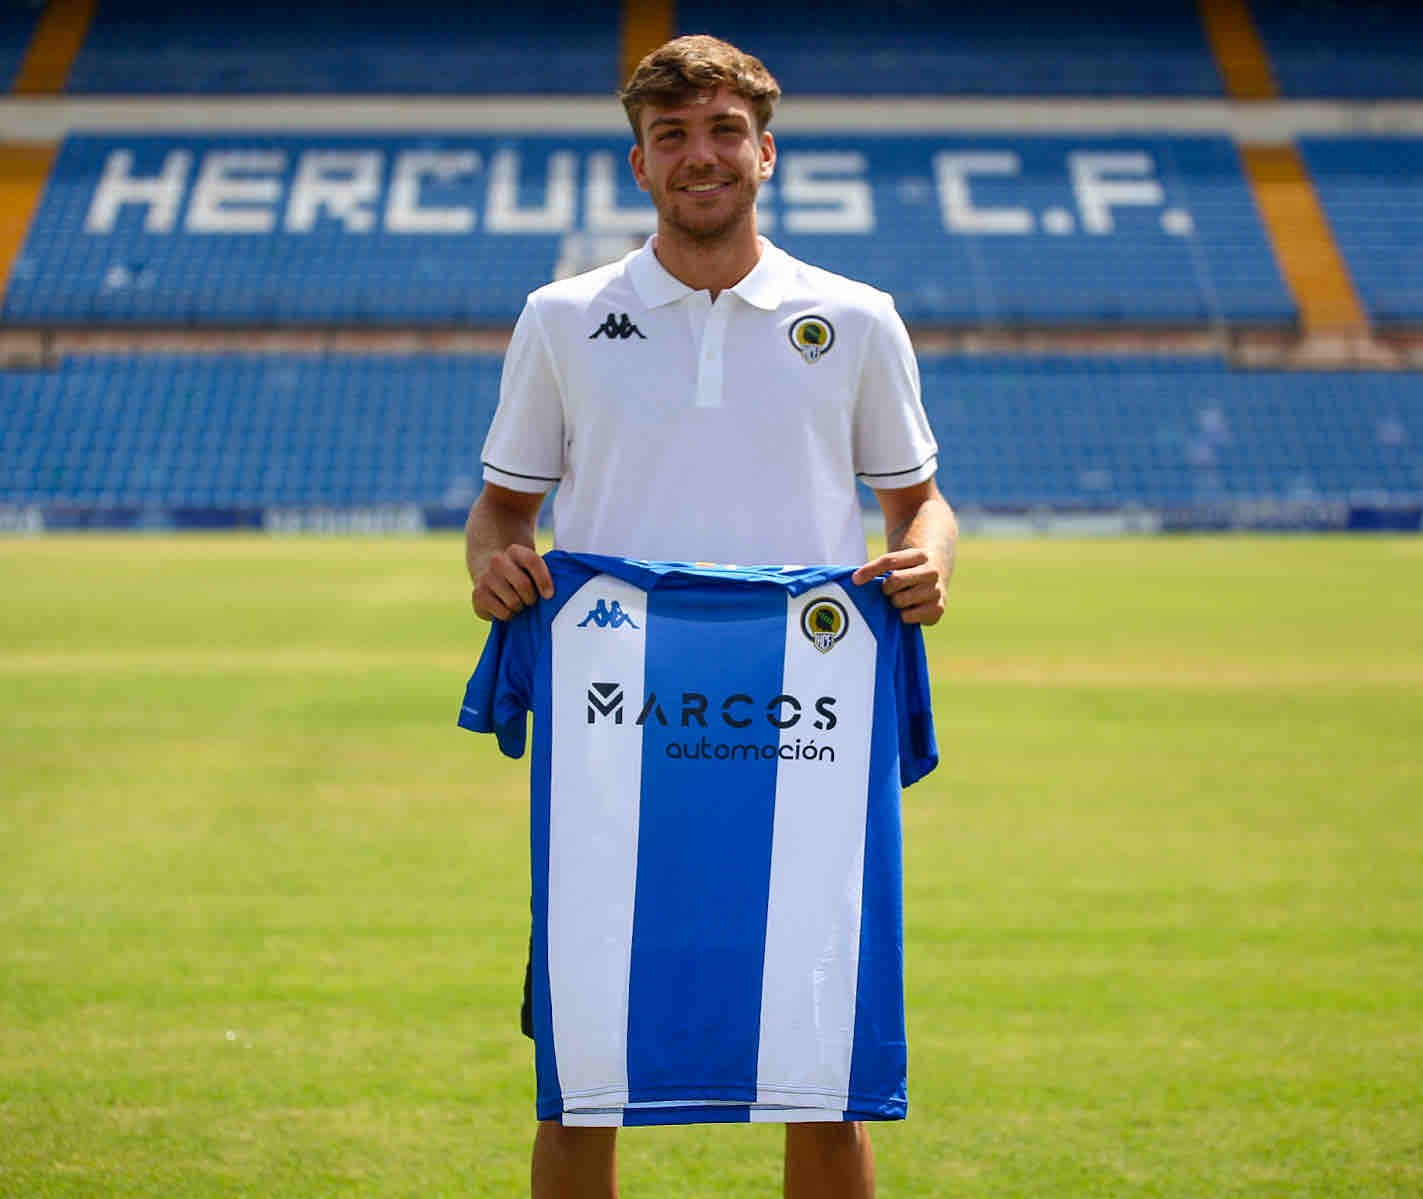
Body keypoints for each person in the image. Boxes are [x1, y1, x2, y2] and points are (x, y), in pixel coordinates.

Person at [464, 34, 957, 1199]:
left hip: (809, 730)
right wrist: (493, 568)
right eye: (672, 135)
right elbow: (497, 515)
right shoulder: (562, 316)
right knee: (586, 1059)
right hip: (612, 734)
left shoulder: (855, 315)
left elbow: (919, 500)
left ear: (766, 152)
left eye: (724, 131)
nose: (701, 155)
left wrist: (927, 561)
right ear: (639, 163)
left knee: (821, 1059)